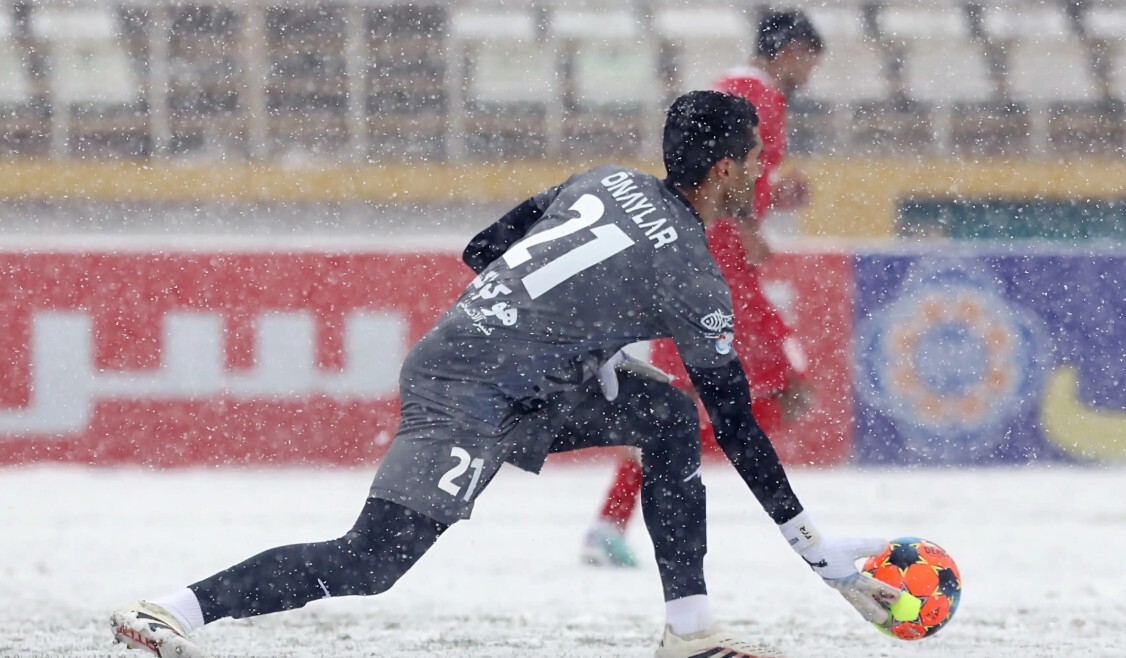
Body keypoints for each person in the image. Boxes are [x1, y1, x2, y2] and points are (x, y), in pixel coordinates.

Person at [109, 90, 898, 658]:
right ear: (725, 169)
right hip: (469, 392)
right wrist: (817, 555)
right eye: (756, 162)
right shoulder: (692, 276)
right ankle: (173, 611)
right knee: (370, 562)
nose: (761, 177)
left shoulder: (601, 179)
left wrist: (573, 344)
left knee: (664, 417)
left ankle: (689, 632)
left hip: (500, 369)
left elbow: (485, 249)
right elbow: (739, 426)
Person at [582, 9, 824, 569]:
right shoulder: (757, 98)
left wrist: (771, 202)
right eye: (810, 60)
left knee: (697, 403)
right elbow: (728, 174)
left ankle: (619, 518)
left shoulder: (729, 91)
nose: (810, 74)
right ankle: (776, 523)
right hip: (720, 264)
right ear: (791, 52)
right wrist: (749, 226)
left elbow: (719, 175)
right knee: (780, 387)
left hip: (701, 256)